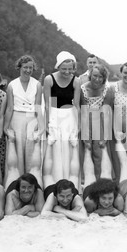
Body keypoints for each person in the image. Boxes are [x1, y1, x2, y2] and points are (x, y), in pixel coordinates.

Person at [43, 51, 80, 183]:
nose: (67, 72)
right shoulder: (49, 80)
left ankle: (71, 182)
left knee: (70, 149)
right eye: (64, 69)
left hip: (69, 116)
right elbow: (47, 104)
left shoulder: (76, 81)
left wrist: (78, 125)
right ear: (58, 66)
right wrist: (47, 124)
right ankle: (54, 181)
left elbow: (76, 104)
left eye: (70, 69)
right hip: (54, 115)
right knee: (55, 148)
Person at [4, 55, 44, 175]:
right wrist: (6, 127)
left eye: (30, 68)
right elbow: (10, 108)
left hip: (32, 118)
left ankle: (31, 178)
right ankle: (16, 179)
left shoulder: (37, 84)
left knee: (31, 150)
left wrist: (41, 127)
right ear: (19, 67)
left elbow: (38, 106)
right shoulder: (12, 85)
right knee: (17, 151)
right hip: (16, 119)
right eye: (25, 67)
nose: (28, 70)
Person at [75, 64, 113, 181]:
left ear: (104, 78)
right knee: (86, 148)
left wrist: (106, 133)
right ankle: (84, 179)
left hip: (100, 120)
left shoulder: (107, 89)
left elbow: (107, 111)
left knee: (99, 150)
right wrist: (81, 127)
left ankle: (100, 178)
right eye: (95, 76)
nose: (97, 79)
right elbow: (81, 110)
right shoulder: (82, 88)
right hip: (86, 119)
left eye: (100, 77)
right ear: (90, 76)